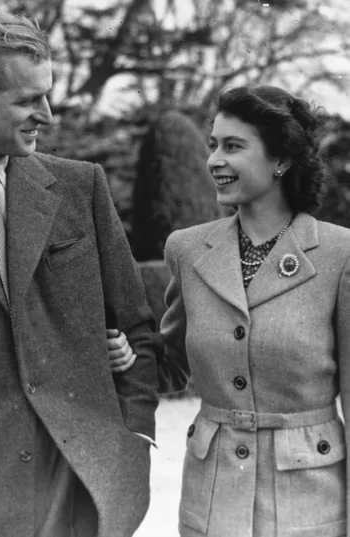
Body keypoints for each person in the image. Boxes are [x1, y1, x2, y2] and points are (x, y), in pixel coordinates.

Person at [0, 8, 160, 537]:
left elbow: (137, 329)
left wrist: (134, 439)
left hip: (85, 489)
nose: (46, 113)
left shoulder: (80, 187)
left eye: (46, 94)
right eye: (26, 100)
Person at [139, 85, 349, 537]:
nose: (214, 159)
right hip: (211, 503)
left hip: (310, 505)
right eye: (213, 144)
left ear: (282, 159)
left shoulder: (340, 254)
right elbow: (172, 367)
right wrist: (124, 353)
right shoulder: (188, 249)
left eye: (232, 146)